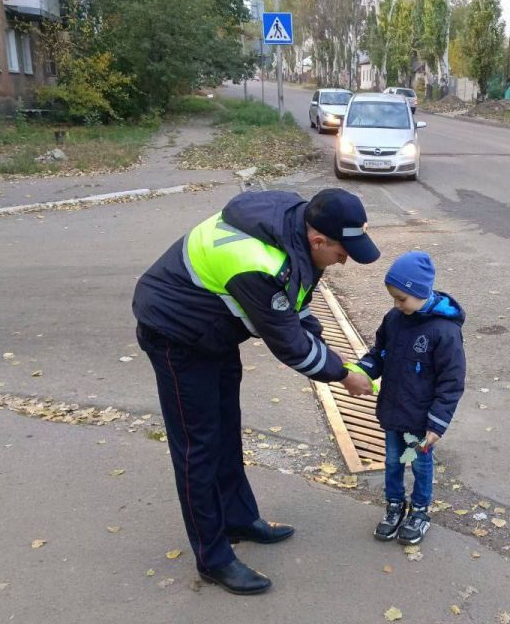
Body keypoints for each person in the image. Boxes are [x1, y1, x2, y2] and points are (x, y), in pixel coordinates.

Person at [132, 189, 377, 596]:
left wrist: (326, 346)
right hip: (175, 333)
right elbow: (291, 345)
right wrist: (342, 375)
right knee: (197, 447)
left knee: (226, 430)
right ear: (318, 240)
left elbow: (294, 303)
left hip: (212, 330)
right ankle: (213, 559)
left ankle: (238, 519)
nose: (344, 260)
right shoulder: (258, 264)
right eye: (341, 252)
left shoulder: (296, 227)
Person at [350, 251, 466, 544]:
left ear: (420, 291)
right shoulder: (394, 319)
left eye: (401, 298)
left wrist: (437, 423)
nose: (396, 304)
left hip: (421, 421)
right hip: (394, 411)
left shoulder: (444, 332)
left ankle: (420, 511)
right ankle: (394, 505)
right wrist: (362, 371)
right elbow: (380, 353)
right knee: (392, 461)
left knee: (420, 465)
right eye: (393, 298)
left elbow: (451, 382)